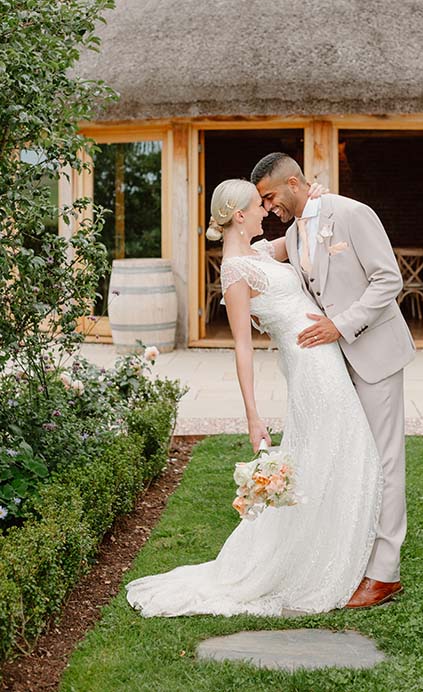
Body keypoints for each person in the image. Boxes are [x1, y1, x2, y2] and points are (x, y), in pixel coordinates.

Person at [125, 178, 383, 618]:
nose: (266, 210)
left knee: (340, 454)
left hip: (325, 358)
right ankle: (318, 560)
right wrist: (252, 416)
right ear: (239, 215)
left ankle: (332, 548)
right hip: (311, 370)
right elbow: (242, 346)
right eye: (257, 205)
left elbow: (301, 234)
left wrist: (316, 201)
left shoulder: (260, 253)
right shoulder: (235, 272)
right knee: (345, 451)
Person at [251, 153, 416, 609]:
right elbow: (255, 256)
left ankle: (385, 574)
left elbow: (388, 281)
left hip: (375, 353)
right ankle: (354, 555)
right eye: (262, 202)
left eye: (269, 197)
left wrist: (340, 325)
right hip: (334, 366)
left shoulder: (351, 213)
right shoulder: (293, 231)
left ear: (294, 182)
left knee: (385, 461)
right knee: (354, 459)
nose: (267, 208)